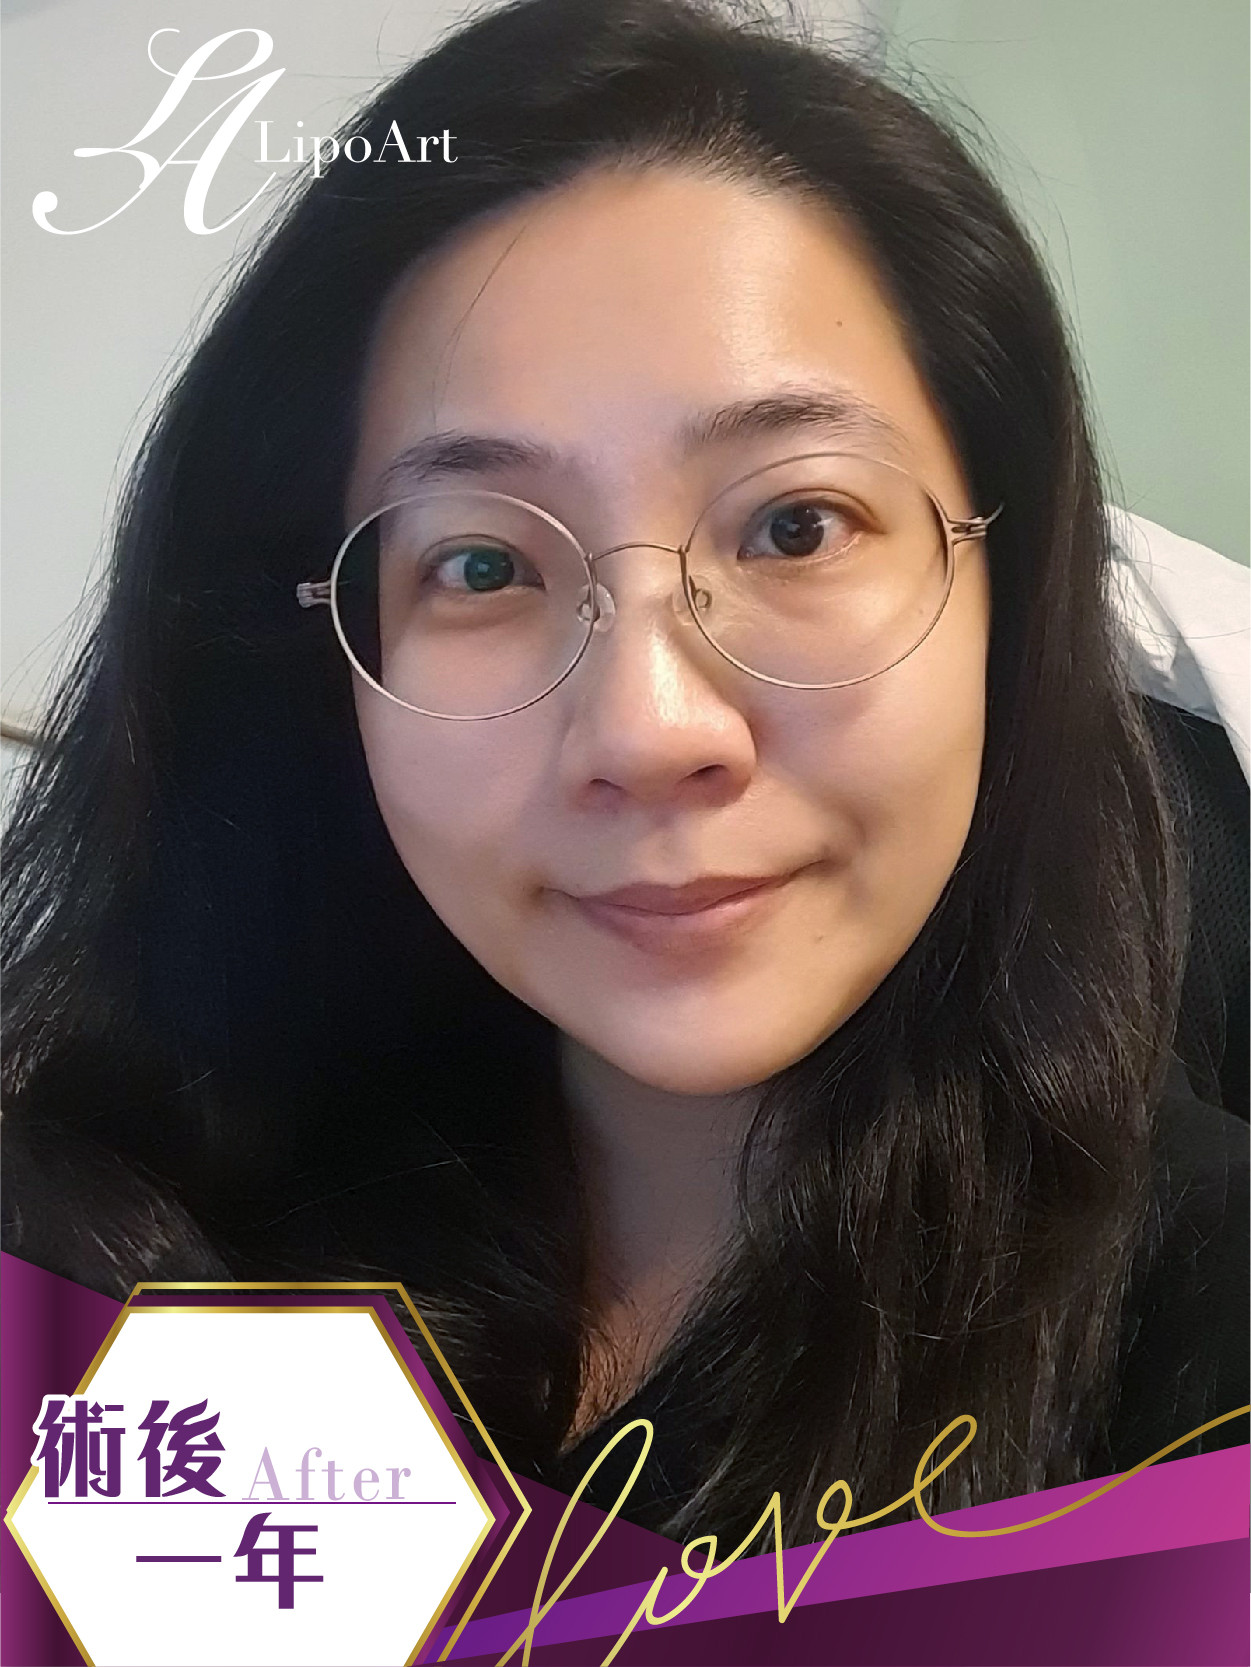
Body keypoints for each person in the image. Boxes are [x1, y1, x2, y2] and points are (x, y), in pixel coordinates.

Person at [3, 0, 1246, 1550]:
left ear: (1008, 590)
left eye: (795, 527)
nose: (650, 731)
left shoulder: (1203, 1348)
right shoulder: (110, 1225)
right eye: (478, 564)